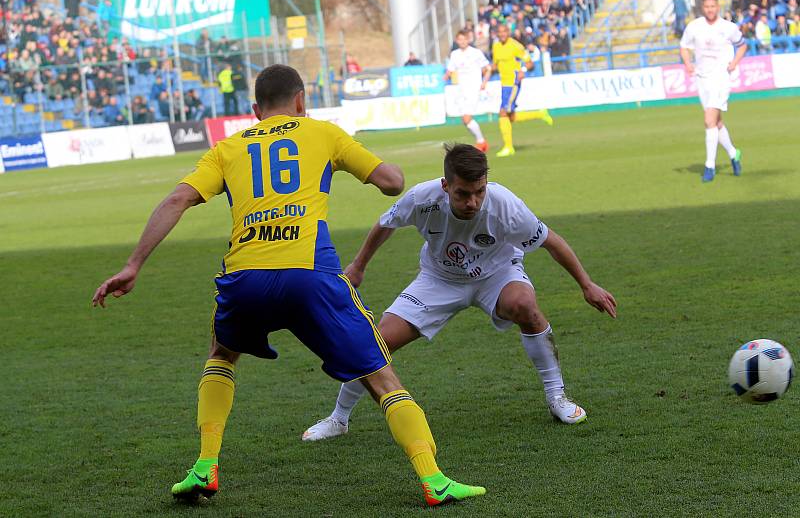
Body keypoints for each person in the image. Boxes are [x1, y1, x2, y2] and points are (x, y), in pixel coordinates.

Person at [91, 64, 485, 508]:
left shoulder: (228, 147)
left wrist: (133, 264)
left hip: (245, 279)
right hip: (310, 275)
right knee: (379, 374)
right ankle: (433, 479)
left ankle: (205, 465)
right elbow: (391, 183)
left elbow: (177, 199)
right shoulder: (323, 133)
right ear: (301, 100)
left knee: (221, 354)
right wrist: (370, 164)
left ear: (256, 110)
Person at [303, 143, 617, 442]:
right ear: (445, 185)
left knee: (524, 304)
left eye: (479, 192)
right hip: (438, 279)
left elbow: (552, 241)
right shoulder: (422, 198)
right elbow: (386, 223)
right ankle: (338, 418)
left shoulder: (505, 205)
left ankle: (557, 396)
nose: (473, 202)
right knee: (376, 342)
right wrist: (358, 266)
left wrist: (587, 285)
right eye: (463, 194)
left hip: (497, 274)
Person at [679, 0, 746, 183]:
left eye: (713, 6)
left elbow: (742, 45)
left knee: (709, 120)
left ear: (717, 7)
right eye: (706, 6)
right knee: (716, 122)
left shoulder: (728, 28)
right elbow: (684, 46)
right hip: (702, 78)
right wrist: (687, 64)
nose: (710, 9)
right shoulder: (694, 27)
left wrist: (734, 63)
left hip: (721, 78)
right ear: (703, 8)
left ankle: (710, 166)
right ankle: (734, 153)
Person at [490, 24, 552, 158]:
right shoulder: (496, 46)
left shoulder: (516, 46)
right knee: (510, 116)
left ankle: (508, 147)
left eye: (504, 31)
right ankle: (540, 114)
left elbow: (530, 63)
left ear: (508, 32)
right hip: (503, 84)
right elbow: (495, 65)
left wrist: (522, 71)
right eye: (499, 32)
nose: (502, 34)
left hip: (513, 83)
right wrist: (488, 70)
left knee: (502, 113)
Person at [444, 30, 492, 152]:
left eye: (464, 39)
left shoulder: (475, 53)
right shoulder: (455, 54)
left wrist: (484, 82)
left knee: (467, 118)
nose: (462, 41)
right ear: (457, 41)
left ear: (468, 39)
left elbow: (488, 68)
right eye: (459, 39)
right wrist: (445, 77)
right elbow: (450, 70)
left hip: (473, 89)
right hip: (462, 90)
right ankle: (482, 142)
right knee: (465, 120)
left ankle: (481, 142)